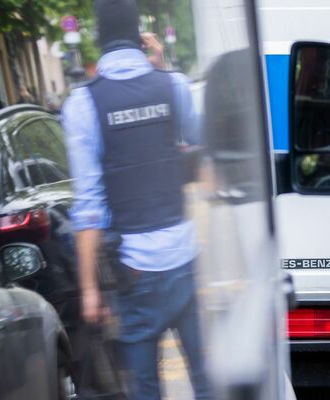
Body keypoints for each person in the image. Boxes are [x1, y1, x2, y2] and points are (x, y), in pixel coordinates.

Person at [61, 0, 208, 399]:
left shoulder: (83, 104)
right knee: (206, 379)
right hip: (184, 260)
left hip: (133, 273)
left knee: (143, 387)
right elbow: (198, 144)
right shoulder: (172, 84)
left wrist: (90, 289)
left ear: (98, 39)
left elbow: (88, 206)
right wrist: (159, 68)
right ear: (140, 36)